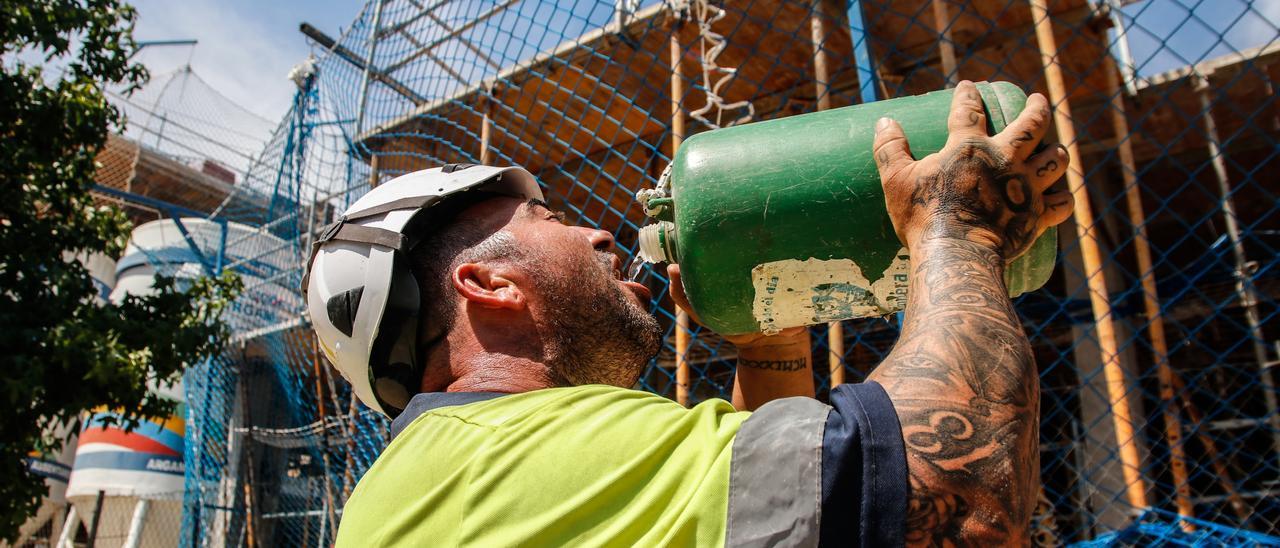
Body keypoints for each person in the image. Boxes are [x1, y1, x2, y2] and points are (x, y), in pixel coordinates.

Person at [303, 80, 1073, 547]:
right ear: (489, 285)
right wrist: (959, 229)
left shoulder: (434, 478)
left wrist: (767, 341)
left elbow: (765, 512)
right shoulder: (515, 462)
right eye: (548, 220)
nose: (598, 232)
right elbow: (960, 504)